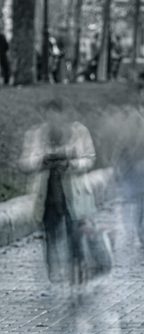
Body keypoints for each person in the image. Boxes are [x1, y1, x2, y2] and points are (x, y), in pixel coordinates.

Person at [19, 100, 97, 283]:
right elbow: (24, 162)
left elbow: (90, 159)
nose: (54, 120)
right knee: (50, 235)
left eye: (57, 115)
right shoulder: (36, 135)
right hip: (47, 195)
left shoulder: (79, 132)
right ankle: (53, 273)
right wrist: (42, 161)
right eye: (50, 115)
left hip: (73, 195)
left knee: (75, 235)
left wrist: (71, 163)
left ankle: (78, 268)